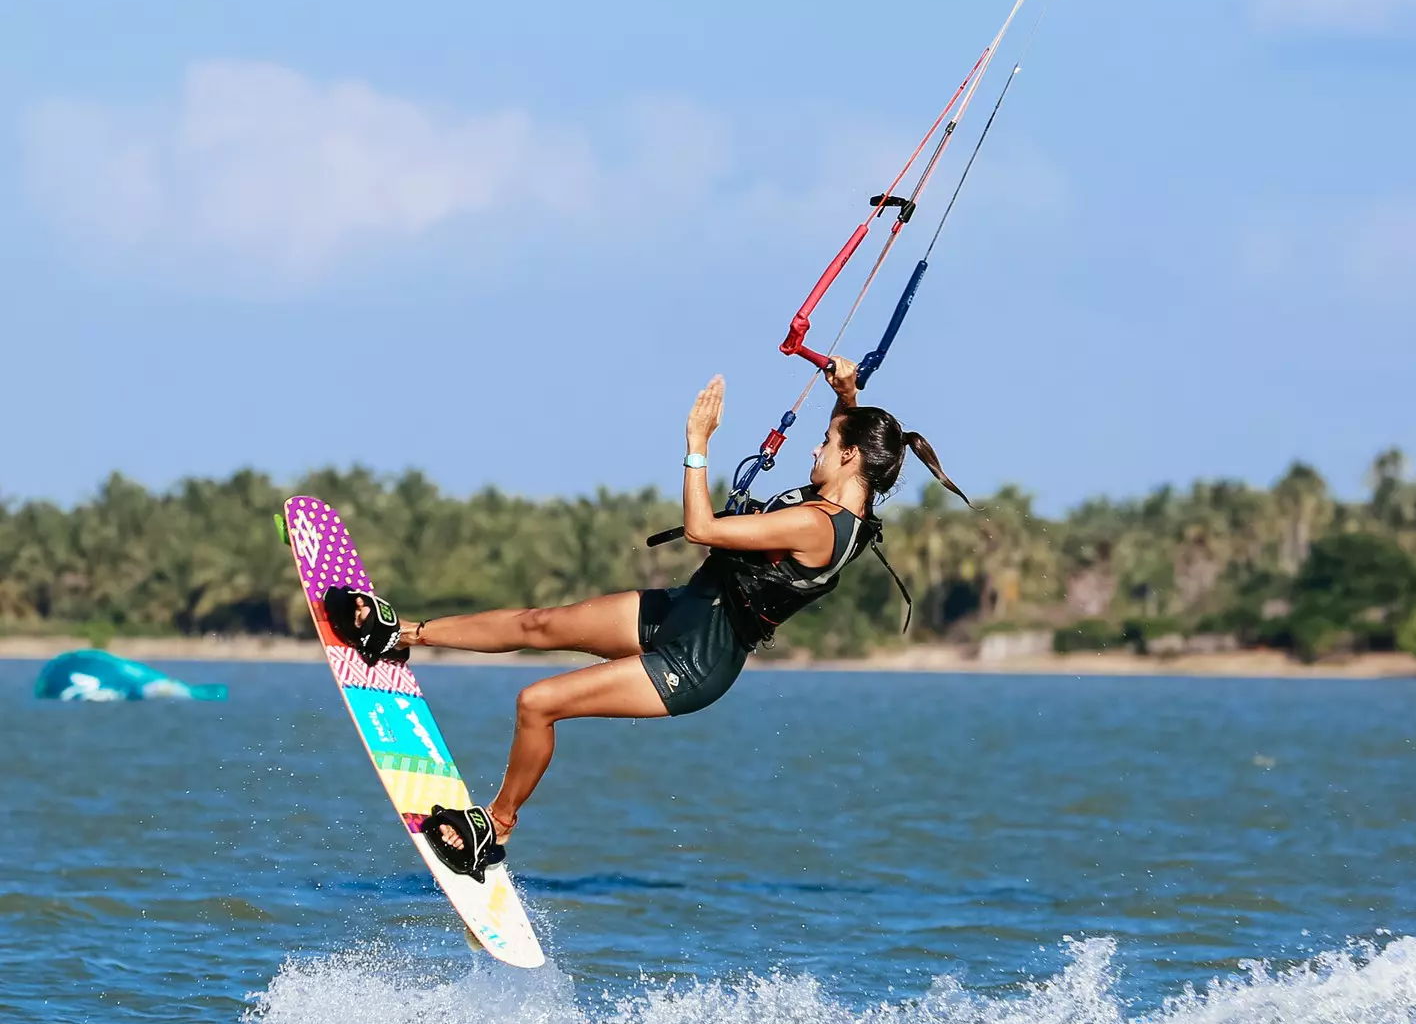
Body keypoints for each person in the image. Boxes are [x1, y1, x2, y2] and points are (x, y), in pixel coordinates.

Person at [319, 356, 968, 880]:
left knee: (537, 702)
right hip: (687, 609)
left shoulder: (817, 524)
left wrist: (696, 445)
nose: (816, 451)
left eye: (828, 442)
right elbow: (850, 447)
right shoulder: (848, 506)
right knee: (540, 623)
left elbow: (701, 526)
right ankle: (397, 635)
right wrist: (846, 394)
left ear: (852, 457)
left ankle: (496, 826)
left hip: (696, 659)